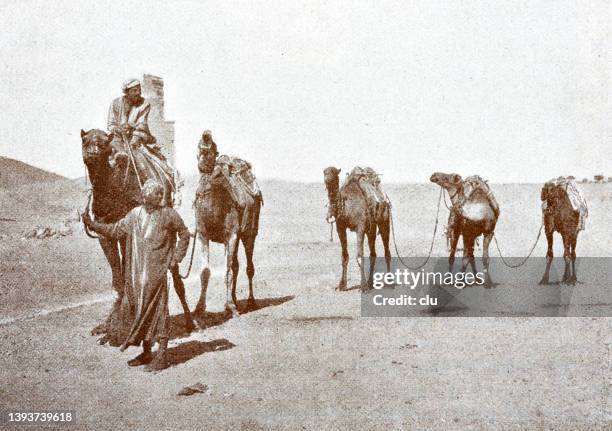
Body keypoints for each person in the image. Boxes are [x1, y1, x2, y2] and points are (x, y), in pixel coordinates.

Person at [82, 179, 190, 371]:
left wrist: (175, 258)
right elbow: (114, 230)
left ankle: (162, 356)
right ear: (146, 195)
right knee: (140, 312)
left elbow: (184, 234)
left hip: (156, 276)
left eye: (161, 193)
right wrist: (93, 224)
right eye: (157, 193)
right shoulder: (134, 215)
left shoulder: (168, 215)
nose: (161, 196)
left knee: (160, 313)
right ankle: (147, 352)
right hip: (136, 277)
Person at [107, 78, 175, 207]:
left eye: (139, 89)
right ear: (126, 92)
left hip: (136, 139)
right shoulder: (115, 104)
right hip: (117, 139)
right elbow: (110, 124)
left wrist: (132, 133)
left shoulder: (144, 104)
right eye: (134, 90)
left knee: (146, 162)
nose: (138, 93)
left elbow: (142, 124)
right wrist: (118, 129)